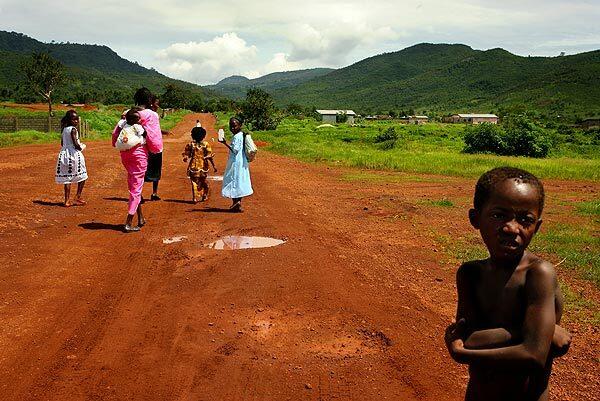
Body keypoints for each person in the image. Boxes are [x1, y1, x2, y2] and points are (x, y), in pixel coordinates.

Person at [445, 167, 572, 401]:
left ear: (537, 227)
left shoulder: (537, 274)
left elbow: (533, 357)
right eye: (498, 215)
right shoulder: (469, 273)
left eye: (525, 220)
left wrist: (462, 353)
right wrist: (535, 334)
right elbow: (471, 339)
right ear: (475, 219)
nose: (512, 228)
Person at [219, 117, 253, 212]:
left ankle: (236, 202)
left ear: (240, 126)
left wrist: (225, 143)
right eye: (231, 126)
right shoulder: (242, 135)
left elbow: (235, 150)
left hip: (235, 163)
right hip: (242, 162)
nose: (232, 128)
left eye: (234, 126)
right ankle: (238, 202)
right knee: (239, 181)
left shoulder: (237, 137)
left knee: (233, 180)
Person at [55, 109, 87, 207]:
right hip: (74, 154)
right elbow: (76, 144)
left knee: (67, 178)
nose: (76, 121)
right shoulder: (73, 129)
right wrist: (82, 146)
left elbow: (62, 143)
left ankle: (67, 200)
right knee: (83, 175)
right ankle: (78, 196)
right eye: (74, 119)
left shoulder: (64, 129)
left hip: (64, 154)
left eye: (77, 119)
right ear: (69, 120)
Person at [182, 123, 216, 203]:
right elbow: (210, 156)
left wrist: (186, 158)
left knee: (194, 181)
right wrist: (214, 166)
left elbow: (187, 154)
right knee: (204, 181)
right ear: (204, 136)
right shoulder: (206, 144)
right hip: (203, 166)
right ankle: (204, 195)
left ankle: (194, 198)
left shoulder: (191, 144)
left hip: (193, 166)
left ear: (192, 135)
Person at [139, 90, 163, 201]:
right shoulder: (148, 114)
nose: (158, 106)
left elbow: (154, 129)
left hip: (155, 146)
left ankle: (153, 194)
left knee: (153, 170)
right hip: (150, 146)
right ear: (151, 103)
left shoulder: (153, 115)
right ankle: (142, 194)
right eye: (156, 104)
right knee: (145, 171)